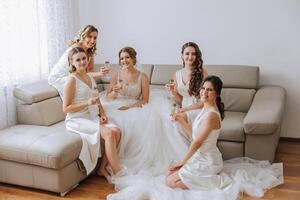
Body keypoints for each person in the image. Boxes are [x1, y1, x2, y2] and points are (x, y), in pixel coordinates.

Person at [62, 47, 121, 181]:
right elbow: (66, 108)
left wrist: (102, 113)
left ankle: (102, 168)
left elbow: (96, 97)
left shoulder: (89, 76)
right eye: (78, 60)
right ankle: (119, 174)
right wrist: (87, 103)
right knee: (109, 133)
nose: (82, 62)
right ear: (72, 62)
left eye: (84, 58)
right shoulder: (71, 80)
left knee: (117, 131)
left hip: (91, 116)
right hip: (76, 119)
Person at [165, 75, 231, 191]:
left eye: (209, 90)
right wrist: (181, 122)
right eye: (203, 88)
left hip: (208, 161)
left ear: (217, 94)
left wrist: (182, 162)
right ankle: (198, 177)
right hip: (199, 156)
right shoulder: (204, 109)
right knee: (168, 173)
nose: (204, 92)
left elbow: (197, 143)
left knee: (171, 182)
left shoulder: (211, 115)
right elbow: (194, 136)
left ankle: (213, 181)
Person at [49, 25, 108, 97]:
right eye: (89, 36)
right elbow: (79, 74)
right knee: (83, 86)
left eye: (95, 38)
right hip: (59, 77)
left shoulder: (90, 52)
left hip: (74, 75)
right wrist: (100, 74)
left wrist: (102, 73)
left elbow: (90, 72)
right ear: (83, 36)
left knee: (91, 84)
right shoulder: (76, 49)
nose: (92, 41)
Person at [165, 42, 208, 130]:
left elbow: (205, 101)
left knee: (177, 118)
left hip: (199, 108)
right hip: (183, 107)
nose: (190, 56)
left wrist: (185, 109)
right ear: (182, 55)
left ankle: (194, 142)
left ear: (197, 56)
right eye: (187, 53)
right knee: (168, 118)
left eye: (193, 54)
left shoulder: (202, 73)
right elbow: (179, 101)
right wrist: (172, 91)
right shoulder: (177, 74)